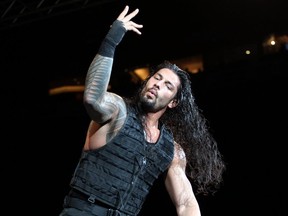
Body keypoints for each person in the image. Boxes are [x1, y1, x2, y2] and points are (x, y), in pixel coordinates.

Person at [59, 5, 225, 216]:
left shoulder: (170, 149)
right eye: (157, 78)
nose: (158, 84)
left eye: (168, 85)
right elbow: (92, 98)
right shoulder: (118, 111)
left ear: (173, 103)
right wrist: (112, 39)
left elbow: (185, 202)